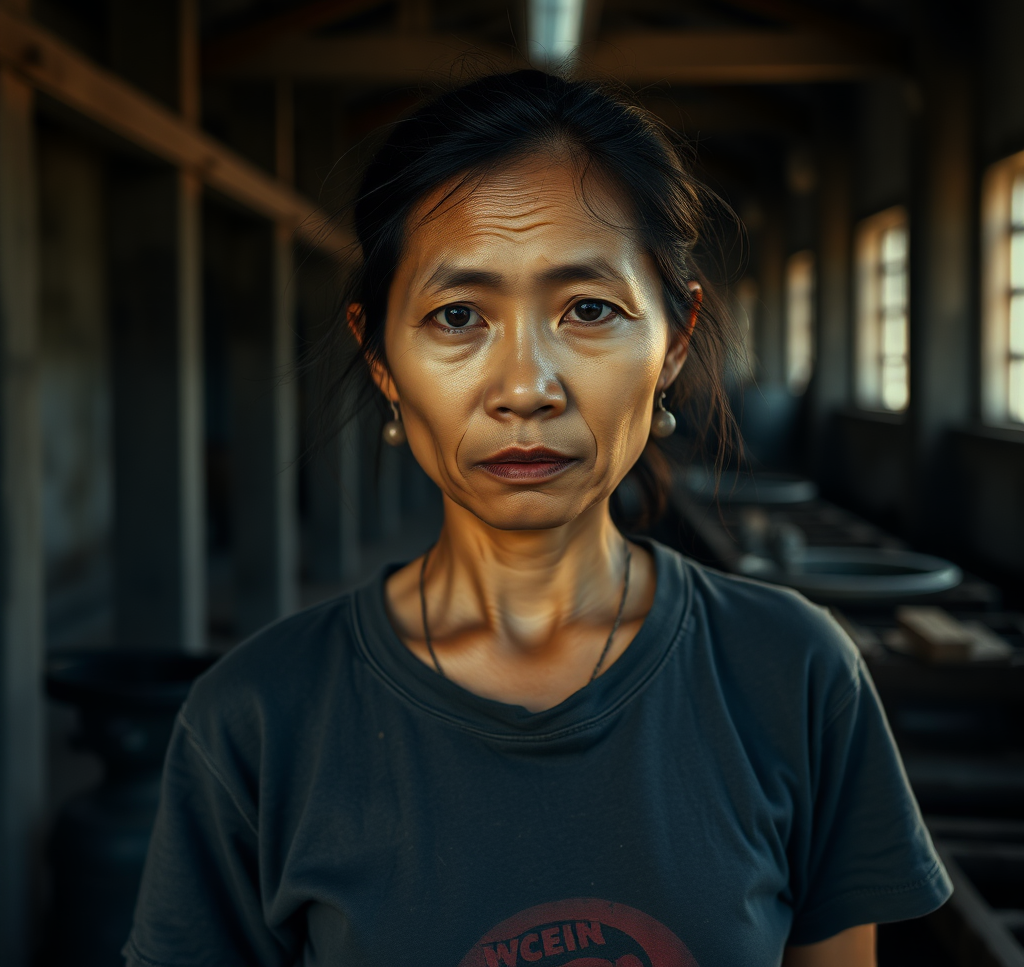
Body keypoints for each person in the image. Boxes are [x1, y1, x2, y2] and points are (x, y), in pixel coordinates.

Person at [124, 71, 951, 967]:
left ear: (674, 340)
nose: (526, 388)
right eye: (457, 316)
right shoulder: (258, 721)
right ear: (382, 360)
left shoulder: (792, 675)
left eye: (588, 310)